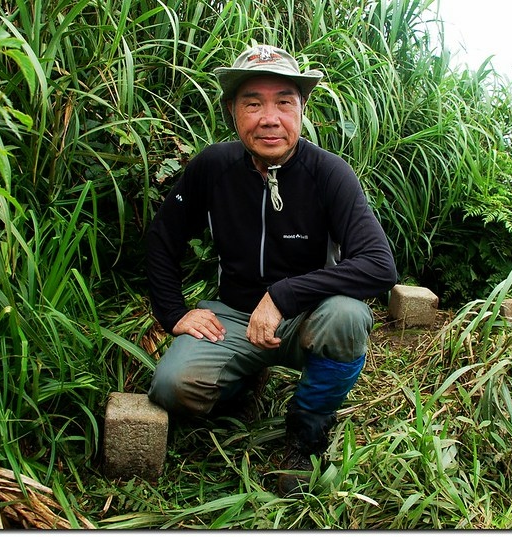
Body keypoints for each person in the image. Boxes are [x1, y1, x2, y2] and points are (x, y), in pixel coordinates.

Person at [145, 43, 397, 496]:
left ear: (302, 108)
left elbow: (379, 265)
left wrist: (283, 295)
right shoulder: (214, 167)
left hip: (307, 321)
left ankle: (306, 433)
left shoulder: (329, 174)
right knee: (171, 387)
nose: (269, 117)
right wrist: (173, 313)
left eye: (284, 101)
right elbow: (163, 238)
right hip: (233, 318)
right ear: (232, 111)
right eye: (253, 102)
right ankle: (242, 385)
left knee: (348, 315)